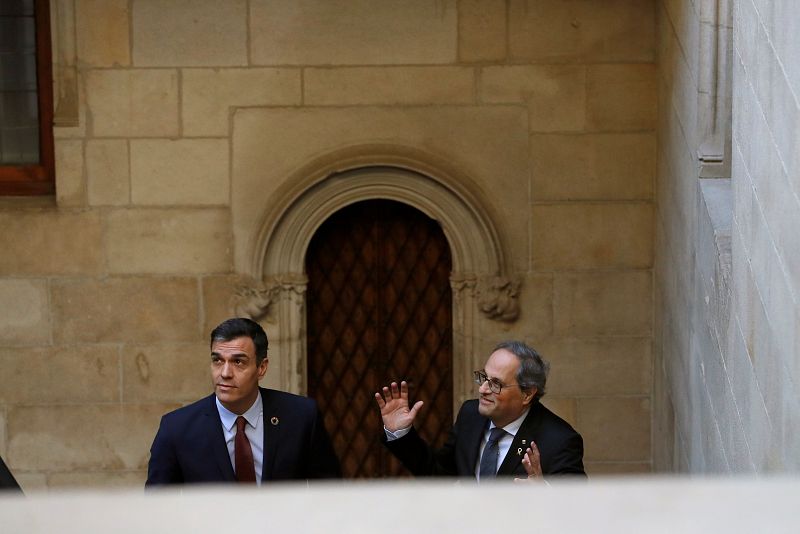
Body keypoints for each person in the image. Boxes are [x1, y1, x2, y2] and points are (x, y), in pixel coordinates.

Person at [146, 318, 340, 486]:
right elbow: (157, 510)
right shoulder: (177, 428)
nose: (225, 373)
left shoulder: (301, 416)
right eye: (218, 361)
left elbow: (330, 495)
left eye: (238, 362)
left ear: (261, 368)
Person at [375, 340, 585, 481]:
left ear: (527, 393)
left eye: (495, 383)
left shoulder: (559, 440)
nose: (482, 389)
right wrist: (401, 434)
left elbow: (579, 509)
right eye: (483, 377)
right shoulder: (470, 415)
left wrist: (545, 495)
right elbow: (441, 476)